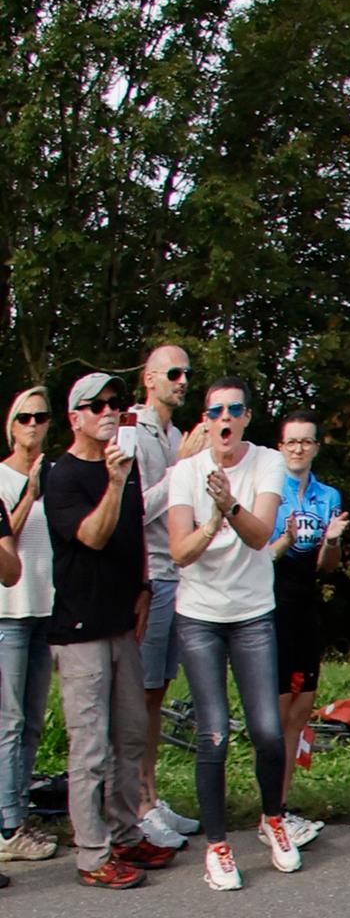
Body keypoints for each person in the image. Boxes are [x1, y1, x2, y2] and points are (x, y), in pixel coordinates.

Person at [160, 377, 303, 888]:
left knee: (267, 730)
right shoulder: (185, 473)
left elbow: (263, 535)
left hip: (252, 614)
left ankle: (273, 820)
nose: (224, 419)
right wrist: (212, 518)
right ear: (205, 420)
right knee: (214, 734)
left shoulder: (267, 462)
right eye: (215, 410)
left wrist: (230, 506)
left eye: (234, 410)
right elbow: (179, 552)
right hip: (199, 615)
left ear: (245, 417)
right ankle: (218, 848)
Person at [46, 373, 158, 888]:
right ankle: (92, 854)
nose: (108, 411)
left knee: (130, 737)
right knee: (90, 747)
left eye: (115, 403)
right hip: (80, 628)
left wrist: (144, 588)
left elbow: (133, 534)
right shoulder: (63, 475)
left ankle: (126, 833)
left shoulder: (125, 466)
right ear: (75, 418)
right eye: (96, 406)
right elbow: (91, 536)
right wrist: (114, 482)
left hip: (121, 622)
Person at [119, 343, 195, 847]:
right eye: (173, 372)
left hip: (180, 572)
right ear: (149, 379)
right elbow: (135, 509)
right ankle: (135, 802)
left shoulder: (176, 433)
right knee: (139, 692)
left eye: (187, 373)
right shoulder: (131, 432)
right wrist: (179, 469)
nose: (183, 380)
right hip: (150, 575)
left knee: (159, 691)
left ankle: (150, 790)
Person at [268, 412, 350, 798]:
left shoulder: (327, 496)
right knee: (278, 711)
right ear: (280, 447)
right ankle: (270, 806)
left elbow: (326, 568)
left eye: (306, 441)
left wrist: (332, 541)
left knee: (302, 710)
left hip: (307, 603)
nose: (298, 448)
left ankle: (282, 804)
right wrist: (284, 540)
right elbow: (260, 556)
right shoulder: (268, 490)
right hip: (272, 603)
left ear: (316, 447)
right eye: (291, 442)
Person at [1, 386, 54, 866]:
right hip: (8, 612)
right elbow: (5, 540)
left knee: (33, 722)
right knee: (9, 722)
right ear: (11, 426)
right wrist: (29, 493)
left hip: (45, 610)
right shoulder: (1, 477)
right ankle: (7, 825)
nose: (33, 426)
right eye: (24, 418)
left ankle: (17, 812)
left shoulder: (54, 474)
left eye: (41, 418)